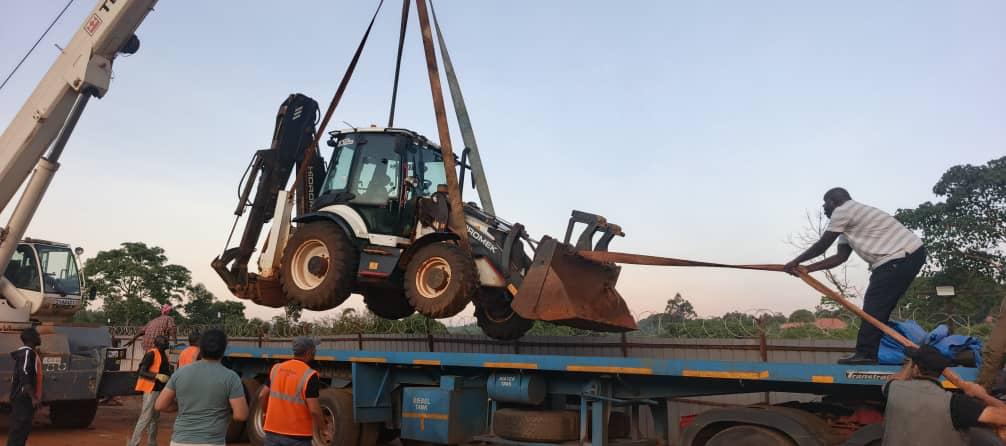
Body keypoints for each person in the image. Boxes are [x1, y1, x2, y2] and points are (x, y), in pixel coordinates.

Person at [784, 187, 926, 364]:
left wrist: (794, 262)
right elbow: (840, 257)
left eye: (824, 204)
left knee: (874, 307)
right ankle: (868, 353)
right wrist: (807, 269)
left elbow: (822, 245)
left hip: (900, 256)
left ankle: (866, 354)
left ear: (833, 201)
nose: (823, 208)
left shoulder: (843, 211)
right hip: (905, 256)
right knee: (877, 308)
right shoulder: (850, 222)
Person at [884, 345, 1006, 445]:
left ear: (915, 369)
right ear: (940, 372)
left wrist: (912, 362)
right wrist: (983, 395)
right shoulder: (955, 404)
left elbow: (898, 378)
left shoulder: (892, 389)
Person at [155, 329, 247, 446]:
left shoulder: (180, 373)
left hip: (180, 441)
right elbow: (241, 415)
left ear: (201, 348)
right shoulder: (231, 377)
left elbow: (160, 405)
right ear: (224, 349)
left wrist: (182, 407)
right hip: (212, 441)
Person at [259, 336, 325, 446]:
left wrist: (265, 413)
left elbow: (262, 395)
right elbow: (314, 410)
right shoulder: (309, 375)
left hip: (272, 432)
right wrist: (323, 428)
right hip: (298, 436)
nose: (315, 351)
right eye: (314, 349)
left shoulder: (276, 368)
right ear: (309, 352)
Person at [128, 335, 172, 446]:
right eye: (165, 342)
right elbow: (141, 371)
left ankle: (152, 442)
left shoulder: (164, 355)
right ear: (158, 344)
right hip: (150, 390)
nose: (167, 343)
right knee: (146, 417)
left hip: (159, 390)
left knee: (155, 418)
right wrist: (156, 376)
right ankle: (134, 443)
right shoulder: (151, 354)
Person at [7, 327, 42, 446]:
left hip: (24, 397)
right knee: (18, 430)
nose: (39, 337)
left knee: (22, 430)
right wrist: (33, 397)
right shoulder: (27, 353)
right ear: (31, 339)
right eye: (37, 335)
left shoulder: (30, 353)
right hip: (23, 397)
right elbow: (25, 374)